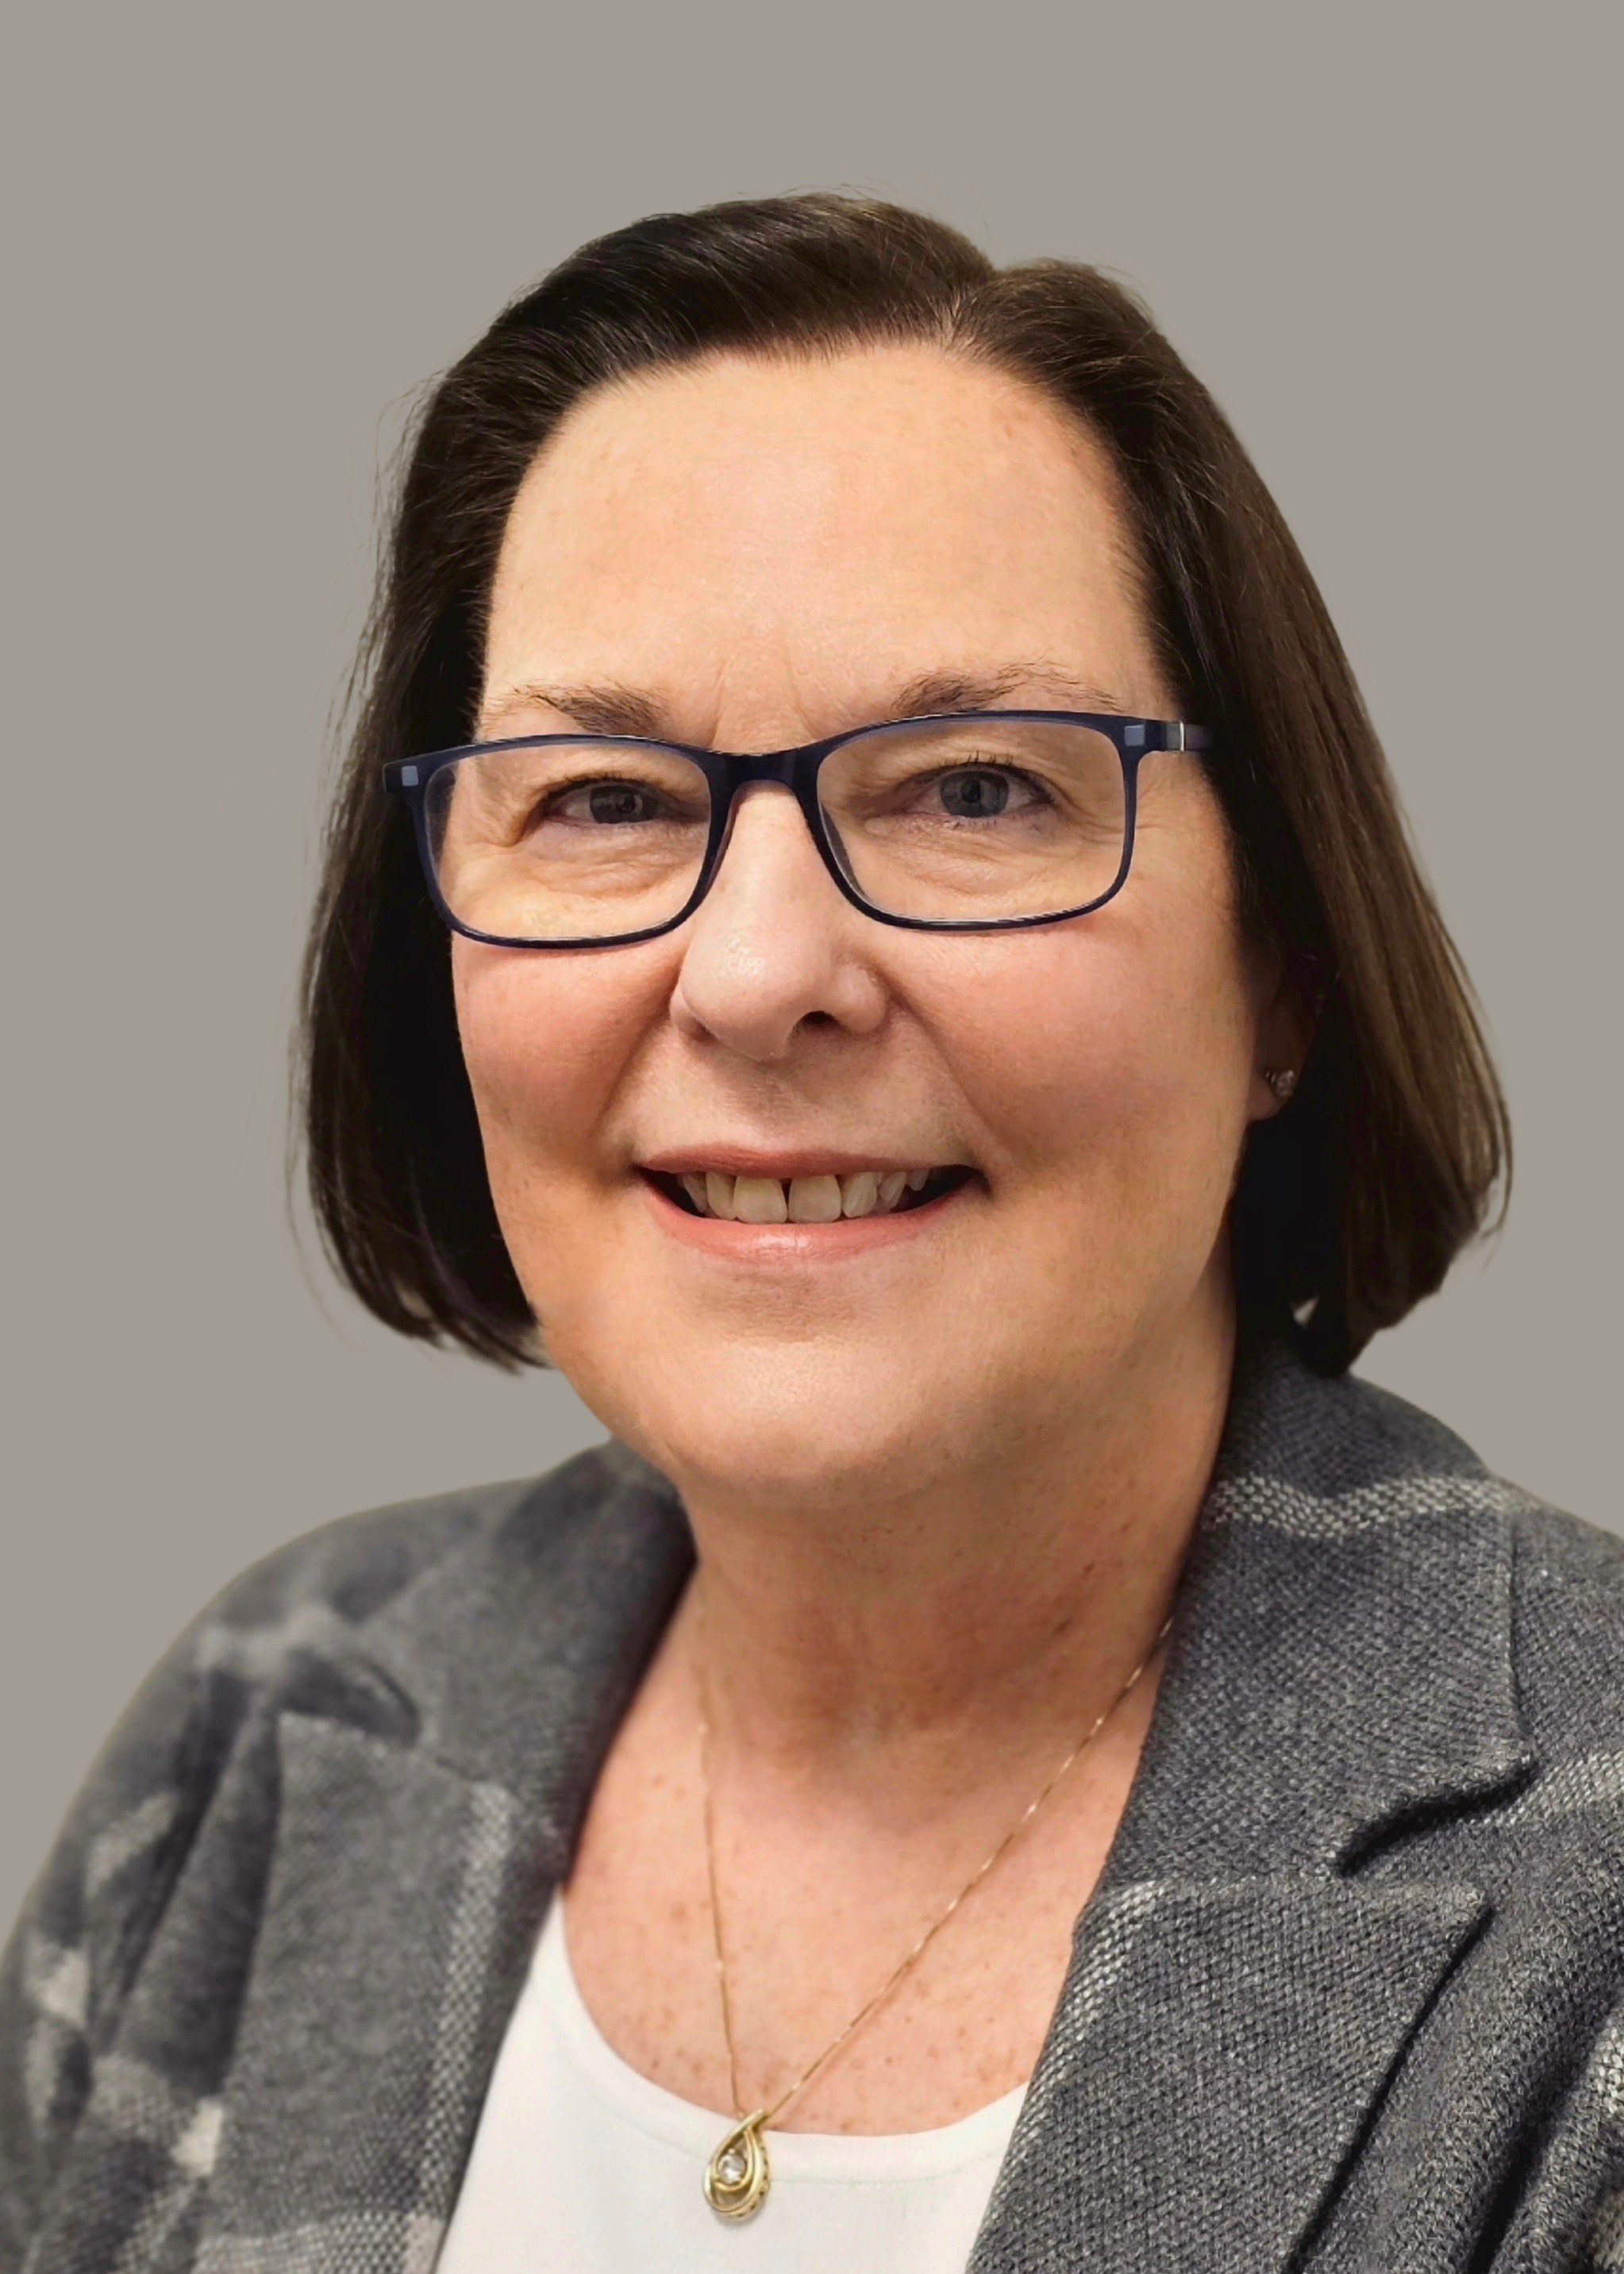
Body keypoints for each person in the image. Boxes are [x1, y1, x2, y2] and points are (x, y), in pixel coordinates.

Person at [3, 193, 1620, 2274]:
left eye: (974, 791)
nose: (763, 971)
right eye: (599, 798)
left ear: (1283, 971)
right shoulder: (257, 1724)